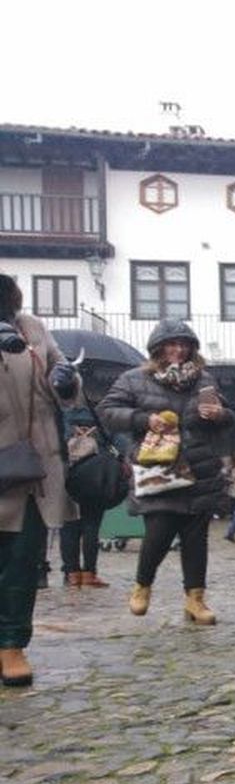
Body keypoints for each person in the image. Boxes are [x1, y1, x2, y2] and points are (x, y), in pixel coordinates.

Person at [99, 320, 234, 625]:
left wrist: (220, 414)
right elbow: (108, 411)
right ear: (158, 348)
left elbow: (229, 416)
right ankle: (142, 586)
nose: (179, 350)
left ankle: (195, 599)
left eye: (184, 345)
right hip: (159, 469)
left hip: (199, 467)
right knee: (158, 534)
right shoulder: (134, 379)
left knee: (195, 538)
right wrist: (144, 419)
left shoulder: (204, 380)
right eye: (172, 344)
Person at [0, 273, 77, 685]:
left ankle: (11, 645)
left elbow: (61, 372)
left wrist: (66, 380)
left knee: (21, 561)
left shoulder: (33, 328)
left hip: (30, 467)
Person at [58, 400, 113, 588]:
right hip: (95, 477)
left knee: (68, 526)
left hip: (68, 475)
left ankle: (72, 573)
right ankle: (89, 573)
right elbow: (114, 442)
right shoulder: (100, 416)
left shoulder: (64, 415)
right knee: (92, 526)